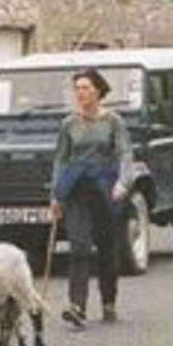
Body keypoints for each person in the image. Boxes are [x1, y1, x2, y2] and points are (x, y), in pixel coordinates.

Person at [49, 67, 133, 327]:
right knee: (79, 247)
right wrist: (56, 195)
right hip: (76, 191)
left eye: (86, 88)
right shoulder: (68, 124)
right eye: (77, 88)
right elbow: (61, 160)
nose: (81, 93)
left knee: (107, 249)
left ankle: (108, 302)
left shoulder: (113, 121)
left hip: (105, 190)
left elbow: (125, 154)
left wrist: (122, 183)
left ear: (98, 91)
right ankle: (77, 306)